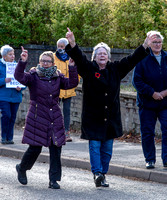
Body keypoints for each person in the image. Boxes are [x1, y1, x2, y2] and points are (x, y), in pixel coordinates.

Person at [65, 27, 155, 187]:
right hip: (93, 117)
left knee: (107, 149)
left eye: (104, 53)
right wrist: (72, 43)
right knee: (94, 145)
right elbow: (78, 57)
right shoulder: (88, 69)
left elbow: (132, 59)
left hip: (110, 117)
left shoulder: (115, 69)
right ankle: (97, 173)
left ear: (109, 57)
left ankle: (103, 174)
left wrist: (145, 45)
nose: (102, 55)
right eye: (99, 53)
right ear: (94, 56)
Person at [14, 47, 78, 189]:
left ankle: (53, 180)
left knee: (56, 147)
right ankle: (22, 168)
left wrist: (72, 67)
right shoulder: (33, 75)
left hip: (54, 115)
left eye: (48, 61)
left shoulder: (58, 76)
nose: (45, 63)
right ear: (39, 62)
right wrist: (22, 62)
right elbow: (19, 77)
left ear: (53, 62)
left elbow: (71, 84)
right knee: (35, 147)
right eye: (43, 61)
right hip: (37, 115)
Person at [132, 31, 167, 169]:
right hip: (147, 103)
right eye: (154, 42)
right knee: (147, 132)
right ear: (149, 43)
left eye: (159, 42)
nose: (157, 45)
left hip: (165, 102)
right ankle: (150, 159)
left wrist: (164, 93)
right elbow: (137, 81)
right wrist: (152, 93)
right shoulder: (142, 58)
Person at [54, 38, 79, 142]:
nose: (60, 48)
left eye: (62, 46)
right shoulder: (53, 57)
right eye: (58, 46)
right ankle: (56, 131)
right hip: (56, 89)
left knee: (67, 112)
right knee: (56, 111)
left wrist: (75, 81)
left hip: (68, 89)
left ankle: (67, 132)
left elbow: (78, 72)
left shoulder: (72, 57)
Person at [0, 45, 23, 144]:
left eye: (13, 54)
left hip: (15, 96)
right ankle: (3, 137)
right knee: (6, 115)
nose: (13, 56)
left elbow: (24, 79)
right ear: (4, 56)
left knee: (13, 117)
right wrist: (3, 80)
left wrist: (21, 87)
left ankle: (10, 138)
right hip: (3, 96)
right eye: (10, 54)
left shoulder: (18, 65)